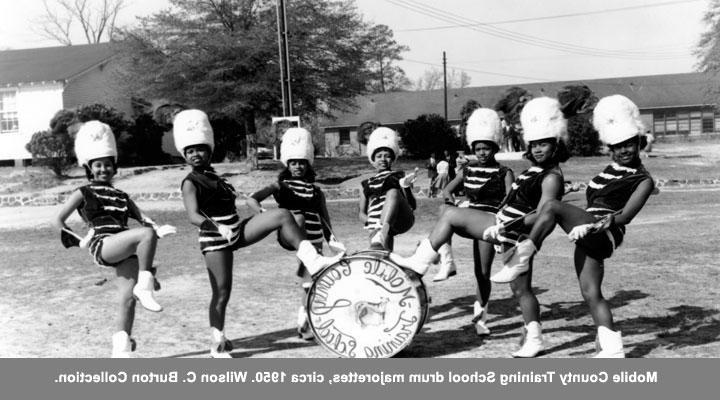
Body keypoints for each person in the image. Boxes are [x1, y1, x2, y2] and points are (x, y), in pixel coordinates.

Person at [389, 97, 570, 356]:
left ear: (556, 146)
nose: (539, 149)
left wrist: (508, 225)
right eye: (535, 144)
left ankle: (423, 260)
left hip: (513, 231)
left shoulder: (551, 177)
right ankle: (533, 336)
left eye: (545, 144)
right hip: (505, 227)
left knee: (521, 289)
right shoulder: (534, 170)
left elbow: (544, 216)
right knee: (451, 215)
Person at [175, 110, 343, 358]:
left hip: (236, 229)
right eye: (190, 151)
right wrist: (216, 227)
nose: (195, 154)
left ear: (209, 150)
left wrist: (255, 210)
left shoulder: (217, 177)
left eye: (200, 149)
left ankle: (313, 260)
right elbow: (193, 216)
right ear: (185, 154)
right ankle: (217, 342)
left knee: (282, 214)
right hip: (215, 238)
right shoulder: (190, 181)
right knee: (221, 293)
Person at [497, 95, 655, 358]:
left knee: (551, 207)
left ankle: (523, 254)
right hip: (587, 228)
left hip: (605, 232)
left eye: (628, 144)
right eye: (616, 146)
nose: (623, 150)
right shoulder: (611, 169)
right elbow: (595, 200)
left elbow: (625, 216)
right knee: (591, 292)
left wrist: (593, 226)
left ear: (639, 142)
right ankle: (613, 350)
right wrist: (581, 216)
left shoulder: (643, 179)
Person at [53, 120, 176, 357]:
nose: (103, 170)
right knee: (146, 236)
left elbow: (143, 218)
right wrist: (77, 239)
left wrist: (158, 228)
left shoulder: (122, 195)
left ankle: (121, 350)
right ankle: (146, 283)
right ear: (89, 167)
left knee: (127, 299)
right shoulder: (83, 192)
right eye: (98, 165)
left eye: (108, 165)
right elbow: (57, 220)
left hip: (125, 248)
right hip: (104, 244)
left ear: (114, 167)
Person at [246, 127, 345, 340]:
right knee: (298, 219)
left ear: (308, 164)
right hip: (291, 235)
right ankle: (306, 316)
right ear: (287, 164)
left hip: (314, 236)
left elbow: (325, 219)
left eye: (301, 162)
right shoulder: (279, 185)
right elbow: (252, 200)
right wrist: (265, 215)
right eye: (293, 162)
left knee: (312, 280)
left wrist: (334, 243)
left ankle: (305, 319)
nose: (298, 166)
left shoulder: (316, 190)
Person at [432, 108, 515, 335]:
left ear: (494, 148)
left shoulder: (504, 172)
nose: (481, 153)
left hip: (489, 223)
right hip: (469, 218)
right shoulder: (467, 170)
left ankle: (481, 317)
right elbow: (446, 190)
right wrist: (455, 202)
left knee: (483, 271)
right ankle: (447, 259)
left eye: (486, 148)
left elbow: (509, 201)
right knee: (444, 210)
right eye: (478, 149)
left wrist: (501, 223)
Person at [358, 127, 418, 250]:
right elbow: (361, 213)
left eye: (387, 156)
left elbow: (412, 205)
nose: (383, 160)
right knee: (381, 254)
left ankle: (382, 231)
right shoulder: (366, 183)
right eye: (379, 156)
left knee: (393, 192)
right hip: (375, 223)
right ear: (373, 160)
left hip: (399, 220)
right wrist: (370, 222)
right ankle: (381, 238)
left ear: (393, 159)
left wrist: (405, 187)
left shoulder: (398, 176)